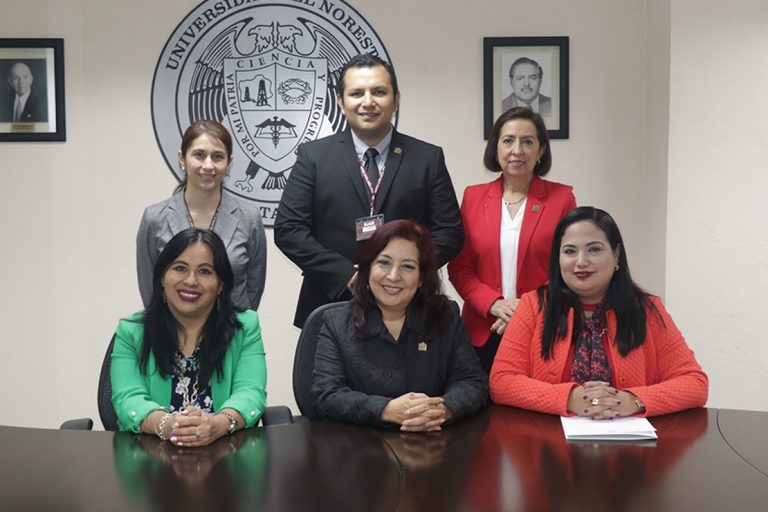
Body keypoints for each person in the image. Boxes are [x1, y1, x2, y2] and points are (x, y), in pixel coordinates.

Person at [274, 54, 464, 328]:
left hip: (409, 307)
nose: (368, 102)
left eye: (379, 92)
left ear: (396, 100)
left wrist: (403, 270)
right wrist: (347, 275)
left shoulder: (427, 158)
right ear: (341, 102)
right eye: (356, 93)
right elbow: (289, 229)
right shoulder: (313, 156)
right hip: (330, 303)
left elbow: (450, 232)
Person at [490, 207, 708, 418]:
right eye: (570, 251)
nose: (581, 262)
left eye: (594, 249)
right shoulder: (533, 305)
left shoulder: (647, 309)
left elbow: (694, 384)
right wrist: (568, 399)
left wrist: (632, 401)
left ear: (616, 254)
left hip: (628, 440)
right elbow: (501, 381)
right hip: (548, 439)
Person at [312, 220, 488, 431]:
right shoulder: (336, 322)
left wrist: (443, 409)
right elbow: (326, 394)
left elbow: (473, 382)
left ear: (421, 278)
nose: (394, 276)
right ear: (366, 269)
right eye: (384, 263)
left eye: (408, 266)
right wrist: (385, 409)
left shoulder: (444, 315)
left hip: (433, 439)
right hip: (361, 443)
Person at [448, 107, 575, 374]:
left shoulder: (562, 199)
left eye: (527, 142)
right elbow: (460, 268)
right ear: (496, 148)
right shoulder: (473, 198)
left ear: (541, 150)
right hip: (483, 330)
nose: (517, 150)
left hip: (539, 329)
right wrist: (494, 304)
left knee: (532, 399)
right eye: (508, 141)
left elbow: (567, 269)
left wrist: (524, 311)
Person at [112, 228, 267, 446]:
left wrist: (218, 425)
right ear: (162, 277)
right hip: (151, 456)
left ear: (220, 285)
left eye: (205, 271)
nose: (191, 281)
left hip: (226, 454)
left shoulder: (244, 327)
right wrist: (168, 425)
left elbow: (250, 393)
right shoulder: (132, 331)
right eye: (180, 268)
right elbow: (128, 399)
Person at [137, 120, 266, 311]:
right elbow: (150, 290)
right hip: (171, 327)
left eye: (217, 157)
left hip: (233, 326)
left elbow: (253, 290)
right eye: (199, 155)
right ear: (182, 158)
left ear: (229, 163)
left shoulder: (249, 219)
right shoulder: (154, 218)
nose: (208, 165)